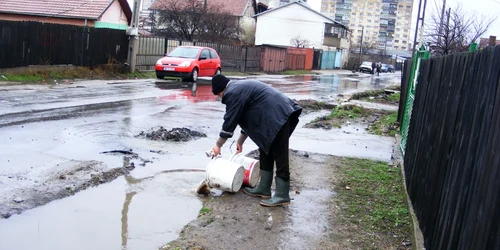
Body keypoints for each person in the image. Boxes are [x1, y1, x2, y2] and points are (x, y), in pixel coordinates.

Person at [211, 74, 302, 207]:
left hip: (279, 115)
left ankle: (282, 195)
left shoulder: (232, 93)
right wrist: (240, 141)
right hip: (272, 115)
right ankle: (264, 188)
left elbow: (230, 121)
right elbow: (246, 117)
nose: (220, 98)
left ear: (220, 91)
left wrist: (218, 145)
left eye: (218, 95)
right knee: (265, 148)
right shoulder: (238, 88)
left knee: (280, 154)